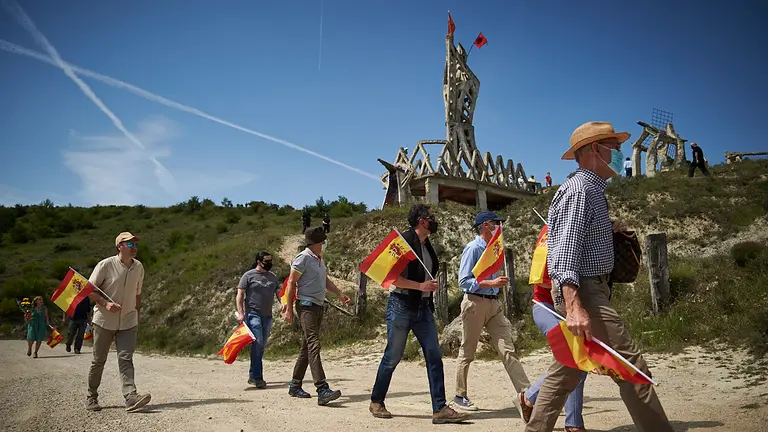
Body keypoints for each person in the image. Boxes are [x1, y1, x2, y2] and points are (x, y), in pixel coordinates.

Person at [524, 121, 673, 432]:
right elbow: (564, 252)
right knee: (633, 369)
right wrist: (574, 305)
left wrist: (609, 230)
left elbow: (577, 240)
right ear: (595, 149)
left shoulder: (592, 190)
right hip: (587, 292)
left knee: (569, 368)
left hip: (596, 289)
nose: (620, 154)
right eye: (615, 148)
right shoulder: (579, 190)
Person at [369, 204, 469, 424]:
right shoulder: (402, 244)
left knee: (434, 355)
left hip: (423, 308)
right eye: (432, 217)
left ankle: (440, 408)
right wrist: (420, 286)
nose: (435, 221)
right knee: (393, 356)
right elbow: (391, 278)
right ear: (422, 221)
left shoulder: (427, 246)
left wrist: (424, 290)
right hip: (401, 305)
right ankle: (376, 401)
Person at [454, 211, 531, 412]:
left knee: (508, 350)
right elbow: (464, 282)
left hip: (494, 305)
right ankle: (459, 395)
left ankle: (528, 395)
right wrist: (492, 282)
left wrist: (496, 285)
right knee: (467, 351)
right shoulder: (472, 249)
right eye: (497, 223)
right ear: (486, 225)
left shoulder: (494, 249)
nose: (500, 227)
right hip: (475, 304)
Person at [283, 226, 351, 405]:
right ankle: (322, 389)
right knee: (314, 344)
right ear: (318, 242)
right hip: (306, 306)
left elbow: (325, 280)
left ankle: (295, 385)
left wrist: (339, 293)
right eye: (323, 240)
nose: (325, 243)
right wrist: (289, 309)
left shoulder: (319, 259)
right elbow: (291, 283)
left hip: (318, 305)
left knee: (307, 346)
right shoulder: (303, 258)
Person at [85, 232, 151, 413]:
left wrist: (137, 313)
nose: (134, 247)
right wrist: (105, 303)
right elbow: (89, 290)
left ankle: (131, 397)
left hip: (129, 320)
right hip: (104, 320)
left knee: (126, 358)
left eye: (135, 244)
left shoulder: (139, 267)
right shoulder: (105, 265)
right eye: (129, 244)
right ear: (119, 246)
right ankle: (92, 396)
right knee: (99, 360)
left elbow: (138, 293)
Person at [520, 257, 587, 431]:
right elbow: (541, 281)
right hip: (545, 306)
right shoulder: (547, 236)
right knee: (572, 355)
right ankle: (573, 425)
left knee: (577, 360)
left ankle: (530, 398)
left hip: (572, 309)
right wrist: (569, 283)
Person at [236, 251, 280, 389]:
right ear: (259, 262)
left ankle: (252, 374)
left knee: (260, 346)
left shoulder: (272, 277)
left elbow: (278, 292)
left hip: (267, 316)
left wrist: (283, 304)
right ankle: (258, 377)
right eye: (266, 261)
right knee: (258, 343)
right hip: (253, 315)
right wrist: (241, 313)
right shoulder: (248, 276)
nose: (269, 263)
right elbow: (240, 294)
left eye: (270, 260)